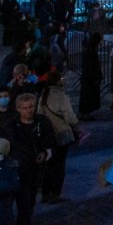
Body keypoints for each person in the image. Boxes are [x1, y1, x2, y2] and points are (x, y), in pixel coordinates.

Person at [4, 93, 55, 225]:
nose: (28, 110)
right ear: (18, 109)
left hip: (35, 170)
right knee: (22, 201)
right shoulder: (12, 126)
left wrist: (44, 152)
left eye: (31, 107)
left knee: (30, 200)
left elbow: (49, 140)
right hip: (17, 169)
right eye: (25, 108)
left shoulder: (42, 122)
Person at [36, 72, 78, 204]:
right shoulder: (61, 96)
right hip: (61, 133)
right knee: (59, 166)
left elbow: (39, 114)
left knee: (48, 164)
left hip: (47, 135)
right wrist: (75, 124)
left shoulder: (44, 95)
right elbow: (69, 116)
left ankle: (45, 192)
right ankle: (55, 193)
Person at [80, 32, 103, 120]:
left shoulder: (89, 50)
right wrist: (96, 77)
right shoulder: (91, 51)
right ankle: (86, 114)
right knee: (89, 96)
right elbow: (93, 66)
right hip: (90, 78)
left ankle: (84, 113)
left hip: (87, 77)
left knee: (86, 96)